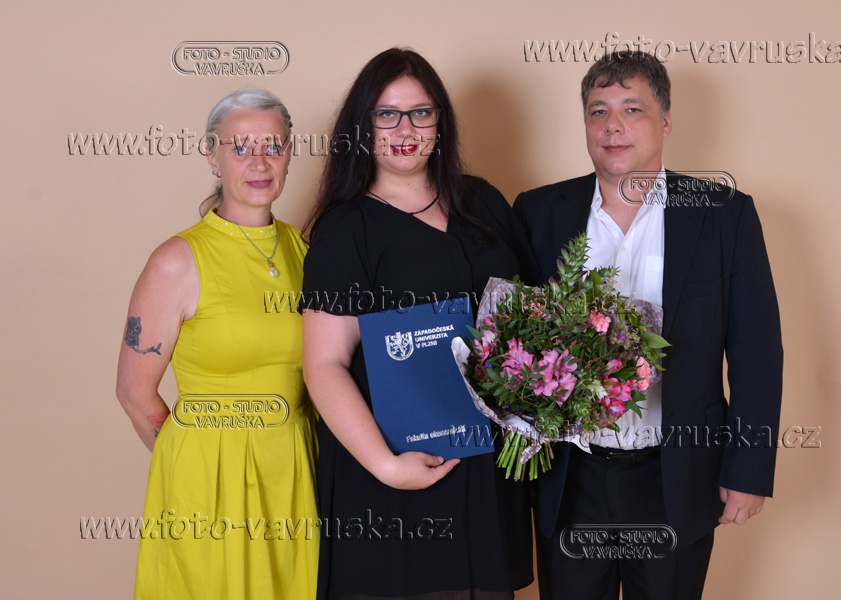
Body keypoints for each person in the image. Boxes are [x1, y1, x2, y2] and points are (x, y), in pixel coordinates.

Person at [514, 50, 783, 600]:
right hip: (571, 478)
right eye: (598, 111)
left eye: (631, 109)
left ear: (665, 121)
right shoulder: (537, 212)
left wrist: (748, 471)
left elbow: (757, 353)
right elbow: (516, 336)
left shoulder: (724, 214)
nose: (612, 126)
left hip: (675, 475)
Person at [300, 48, 535, 600]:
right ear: (363, 126)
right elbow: (324, 364)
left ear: (440, 122)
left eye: (420, 113)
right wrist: (386, 466)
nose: (405, 130)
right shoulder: (347, 228)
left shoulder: (484, 202)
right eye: (387, 114)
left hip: (487, 459)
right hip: (398, 464)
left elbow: (530, 317)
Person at [116, 88, 318, 599]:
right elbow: (134, 392)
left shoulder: (304, 250)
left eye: (273, 146)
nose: (259, 162)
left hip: (295, 471)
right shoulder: (177, 260)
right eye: (240, 147)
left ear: (290, 154)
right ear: (212, 155)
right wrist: (195, 461)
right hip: (210, 480)